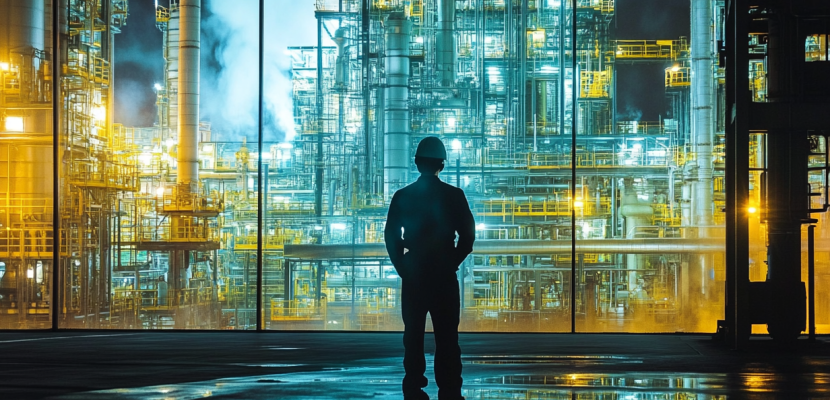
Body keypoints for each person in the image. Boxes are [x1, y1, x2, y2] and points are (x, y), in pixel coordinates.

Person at [384, 136, 475, 400]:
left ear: (416, 163)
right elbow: (467, 238)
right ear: (442, 165)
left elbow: (391, 236)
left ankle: (414, 379)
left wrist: (402, 265)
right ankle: (448, 384)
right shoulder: (454, 196)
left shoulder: (403, 196)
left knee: (412, 333)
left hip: (414, 273)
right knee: (447, 334)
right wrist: (451, 262)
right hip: (443, 275)